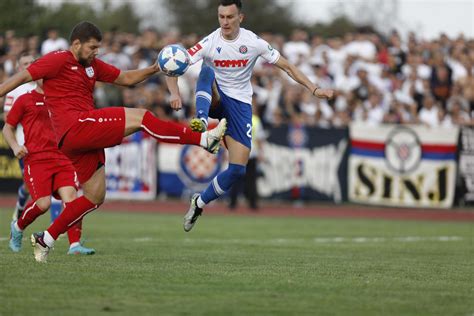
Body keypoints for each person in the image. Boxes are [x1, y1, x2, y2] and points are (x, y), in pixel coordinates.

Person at [0, 21, 227, 262]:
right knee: (141, 118)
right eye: (92, 47)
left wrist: (155, 68)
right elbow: (23, 76)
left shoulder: (91, 65)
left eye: (98, 47)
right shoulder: (57, 59)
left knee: (94, 197)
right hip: (76, 126)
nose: (96, 52)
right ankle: (203, 139)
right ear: (76, 44)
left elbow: (127, 78)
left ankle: (46, 239)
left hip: (74, 140)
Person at [166, 0, 334, 232]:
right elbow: (172, 64)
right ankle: (202, 122)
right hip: (215, 97)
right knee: (206, 70)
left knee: (237, 170)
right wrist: (174, 92)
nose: (225, 22)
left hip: (240, 105)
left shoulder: (253, 43)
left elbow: (287, 66)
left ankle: (199, 202)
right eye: (221, 17)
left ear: (240, 18)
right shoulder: (209, 41)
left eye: (229, 17)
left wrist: (314, 89)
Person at [3, 79, 95, 255]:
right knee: (43, 204)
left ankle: (74, 245)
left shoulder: (65, 99)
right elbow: (7, 128)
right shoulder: (24, 99)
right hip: (37, 159)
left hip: (63, 158)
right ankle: (18, 226)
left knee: (72, 200)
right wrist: (15, 146)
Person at [3, 53, 36, 221]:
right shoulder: (15, 89)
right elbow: (8, 118)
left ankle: (58, 227)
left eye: (32, 62)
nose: (29, 65)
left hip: (48, 142)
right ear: (18, 68)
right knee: (30, 186)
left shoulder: (45, 85)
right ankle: (20, 207)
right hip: (25, 142)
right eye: (25, 63)